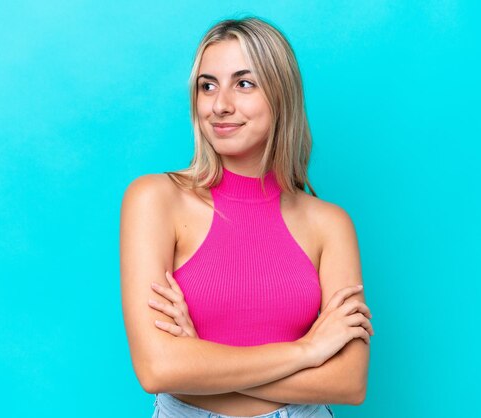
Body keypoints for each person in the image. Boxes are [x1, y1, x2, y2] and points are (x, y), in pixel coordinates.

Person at [120, 16, 374, 418]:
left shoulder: (330, 224)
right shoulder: (155, 199)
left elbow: (348, 383)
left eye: (244, 83)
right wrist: (307, 351)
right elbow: (158, 368)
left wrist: (201, 364)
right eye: (208, 86)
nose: (220, 105)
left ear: (280, 95)